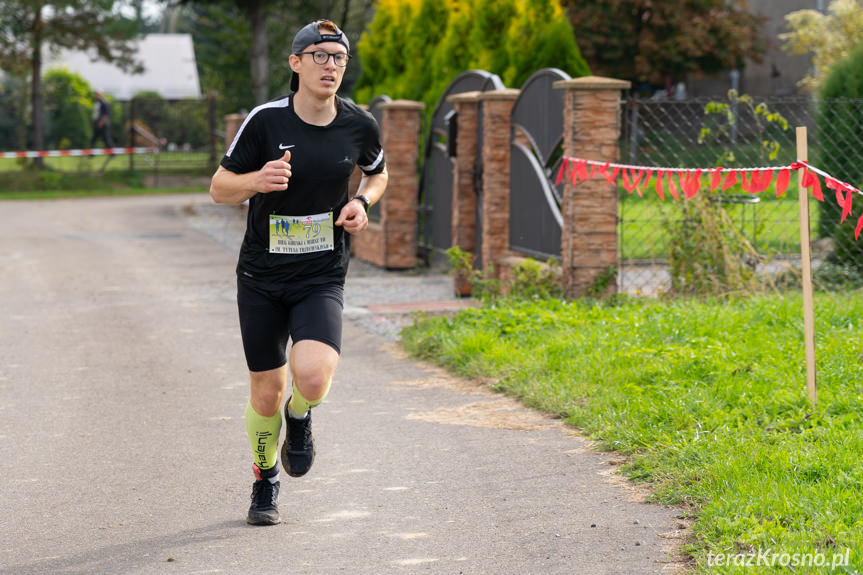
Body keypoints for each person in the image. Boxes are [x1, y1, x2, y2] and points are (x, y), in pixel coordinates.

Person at [209, 19, 388, 526]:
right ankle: (265, 479)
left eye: (339, 57)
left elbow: (378, 172)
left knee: (310, 376)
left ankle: (301, 414)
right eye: (320, 55)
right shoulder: (266, 121)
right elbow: (219, 188)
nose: (330, 65)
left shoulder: (359, 124)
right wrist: (257, 179)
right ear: (295, 63)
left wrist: (361, 201)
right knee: (264, 390)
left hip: (321, 272)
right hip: (262, 276)